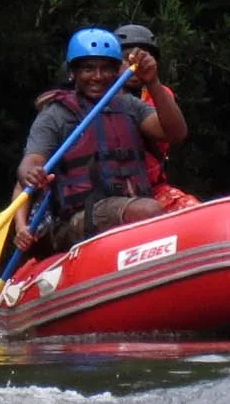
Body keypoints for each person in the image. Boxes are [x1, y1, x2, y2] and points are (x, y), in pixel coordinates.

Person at [17, 27, 189, 251]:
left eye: (106, 69)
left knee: (166, 212)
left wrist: (153, 83)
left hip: (129, 204)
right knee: (149, 211)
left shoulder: (129, 106)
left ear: (117, 71)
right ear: (73, 73)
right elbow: (30, 162)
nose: (98, 77)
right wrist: (32, 173)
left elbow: (176, 134)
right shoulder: (56, 115)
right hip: (77, 218)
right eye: (88, 69)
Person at [113, 23, 199, 213]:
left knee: (191, 209)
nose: (134, 66)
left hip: (151, 188)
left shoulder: (160, 95)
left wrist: (153, 82)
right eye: (126, 59)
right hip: (111, 192)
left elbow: (175, 133)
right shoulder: (99, 98)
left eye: (142, 59)